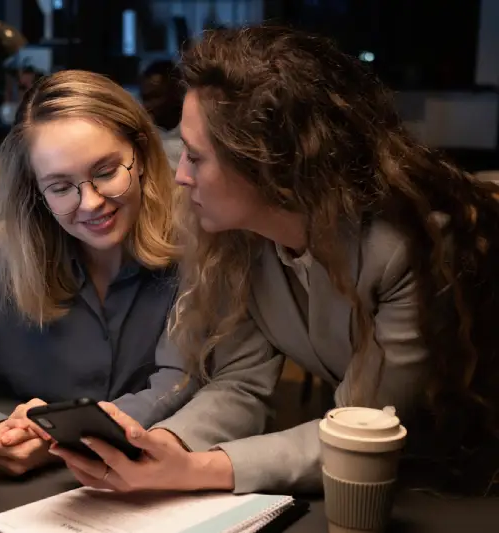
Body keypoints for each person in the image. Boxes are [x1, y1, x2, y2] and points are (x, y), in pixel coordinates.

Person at [46, 26, 499, 495]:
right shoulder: (237, 238)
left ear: (268, 163)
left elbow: (367, 430)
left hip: (468, 481)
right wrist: (163, 446)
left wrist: (198, 472)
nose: (180, 176)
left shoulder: (410, 246)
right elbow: (241, 382)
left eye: (197, 158)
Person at [0, 70, 189, 477]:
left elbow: (177, 382)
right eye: (60, 187)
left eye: (107, 171)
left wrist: (63, 435)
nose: (90, 203)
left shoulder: (192, 252)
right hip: (5, 487)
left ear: (141, 156)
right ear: (36, 193)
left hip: (139, 478)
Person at [139, 60, 184, 171]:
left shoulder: (198, 129)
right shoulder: (142, 135)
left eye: (156, 96)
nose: (148, 105)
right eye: (145, 98)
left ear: (177, 93)